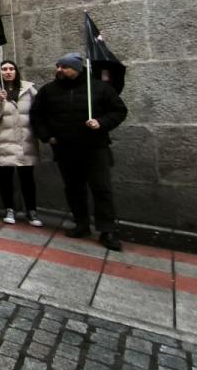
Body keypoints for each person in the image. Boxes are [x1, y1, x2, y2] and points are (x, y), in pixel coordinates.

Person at [30, 53, 128, 251]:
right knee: (74, 188)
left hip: (95, 147)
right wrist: (47, 136)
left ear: (77, 68)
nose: (59, 70)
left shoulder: (99, 88)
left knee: (101, 188)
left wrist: (101, 123)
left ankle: (107, 230)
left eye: (64, 66)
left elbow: (119, 111)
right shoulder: (49, 90)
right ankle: (81, 224)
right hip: (66, 148)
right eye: (58, 66)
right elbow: (36, 114)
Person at [0, 60, 43, 227]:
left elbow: (38, 110)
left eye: (11, 69)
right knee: (5, 177)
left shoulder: (29, 88)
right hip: (3, 139)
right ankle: (8, 208)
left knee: (27, 177)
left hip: (25, 139)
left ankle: (31, 210)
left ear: (16, 71)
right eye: (4, 69)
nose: (8, 72)